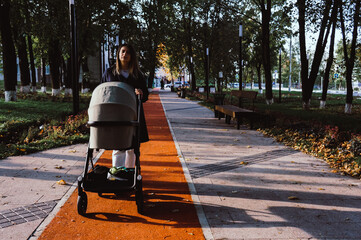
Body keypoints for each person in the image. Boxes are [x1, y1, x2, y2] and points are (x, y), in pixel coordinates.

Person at [101, 43, 149, 171]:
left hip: (132, 113)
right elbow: (103, 92)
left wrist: (141, 93)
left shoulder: (137, 75)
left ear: (132, 56)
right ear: (118, 54)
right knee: (118, 146)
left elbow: (145, 96)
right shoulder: (110, 73)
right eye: (122, 51)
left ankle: (129, 174)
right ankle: (116, 173)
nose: (125, 54)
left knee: (131, 147)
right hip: (115, 114)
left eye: (128, 52)